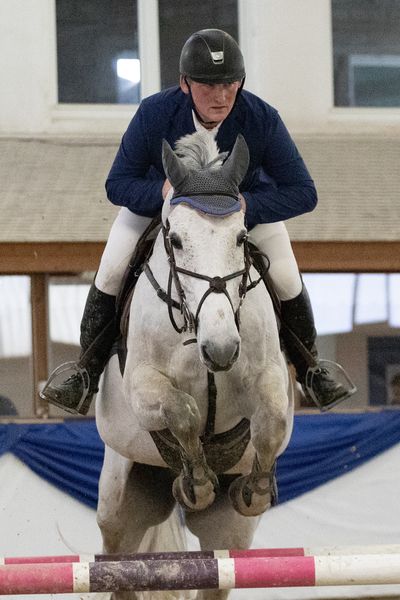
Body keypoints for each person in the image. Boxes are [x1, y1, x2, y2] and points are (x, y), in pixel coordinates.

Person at [41, 28, 356, 415]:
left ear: (240, 82)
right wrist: (161, 192)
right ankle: (85, 375)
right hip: (167, 214)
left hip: (238, 217)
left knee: (288, 278)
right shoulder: (155, 113)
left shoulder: (261, 118)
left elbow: (304, 192)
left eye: (230, 84)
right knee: (110, 270)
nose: (221, 97)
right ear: (185, 84)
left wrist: (247, 204)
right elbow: (117, 184)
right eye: (208, 86)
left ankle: (312, 372)